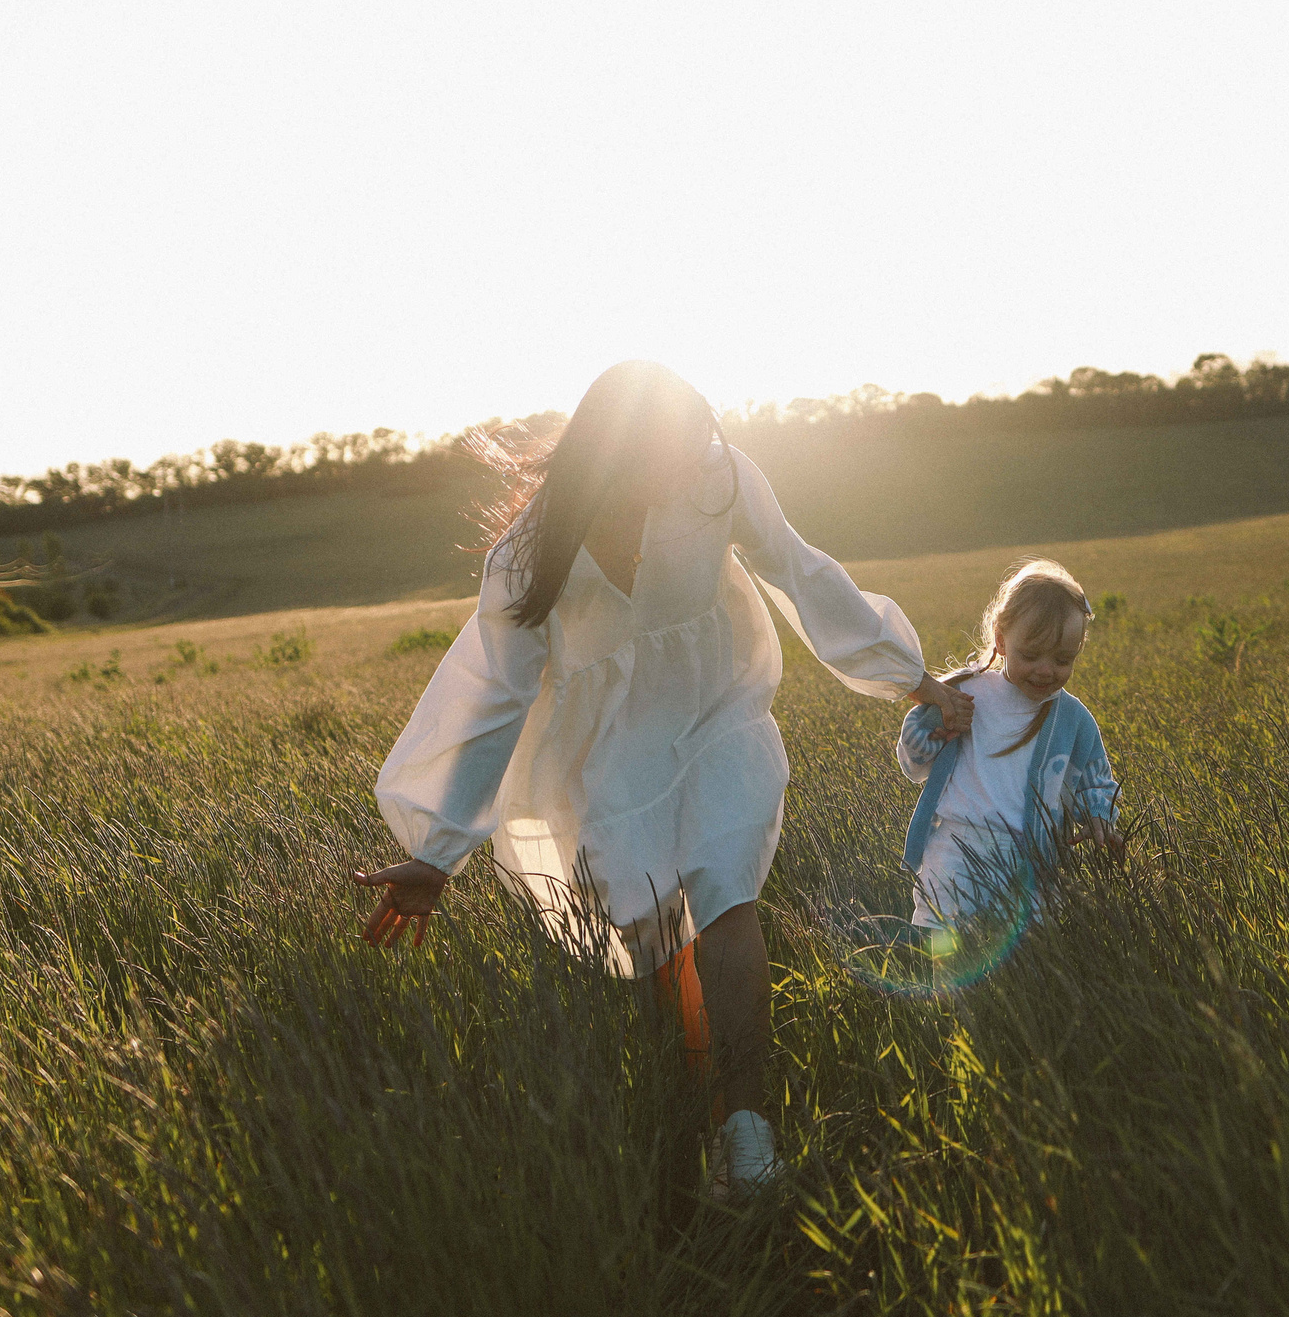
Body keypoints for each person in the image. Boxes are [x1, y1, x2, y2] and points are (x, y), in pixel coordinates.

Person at [352, 361, 974, 1195]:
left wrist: (911, 675)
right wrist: (437, 852)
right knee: (650, 936)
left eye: (696, 449)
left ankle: (747, 1133)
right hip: (602, 753)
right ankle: (686, 1121)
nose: (688, 470)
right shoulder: (530, 555)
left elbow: (800, 570)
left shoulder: (719, 479)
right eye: (667, 456)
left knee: (725, 893)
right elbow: (494, 697)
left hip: (720, 710)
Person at [896, 560, 1122, 960]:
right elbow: (913, 759)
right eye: (1031, 655)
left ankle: (1006, 1020)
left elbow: (1096, 779)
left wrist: (1099, 815)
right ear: (1000, 640)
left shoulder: (1072, 720)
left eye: (1063, 659)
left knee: (1023, 957)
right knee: (946, 955)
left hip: (1030, 859)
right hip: (955, 847)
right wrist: (934, 734)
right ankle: (949, 1018)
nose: (1046, 671)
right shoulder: (964, 694)